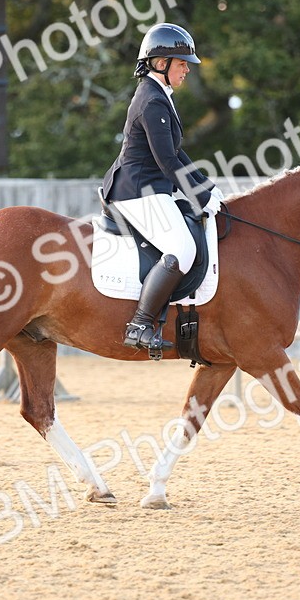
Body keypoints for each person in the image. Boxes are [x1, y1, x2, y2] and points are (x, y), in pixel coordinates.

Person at [101, 22, 224, 352]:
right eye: (182, 64)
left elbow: (176, 152)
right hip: (137, 191)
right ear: (160, 63)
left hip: (149, 188)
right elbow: (167, 161)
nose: (186, 70)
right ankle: (140, 325)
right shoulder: (152, 101)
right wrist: (199, 195)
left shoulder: (158, 95)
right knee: (182, 249)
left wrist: (206, 188)